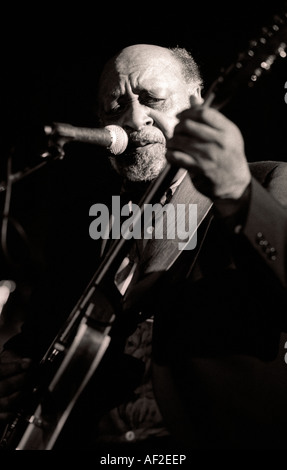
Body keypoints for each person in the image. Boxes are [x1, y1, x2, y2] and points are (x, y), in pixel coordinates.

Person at [0, 43, 287, 453]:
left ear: (196, 103)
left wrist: (239, 195)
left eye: (152, 98)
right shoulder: (89, 220)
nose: (134, 118)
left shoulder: (265, 183)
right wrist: (12, 369)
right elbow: (43, 334)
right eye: (115, 106)